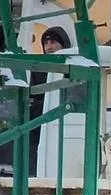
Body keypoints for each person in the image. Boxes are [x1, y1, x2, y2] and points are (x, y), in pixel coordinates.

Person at [29, 27, 72, 171]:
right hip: (39, 129)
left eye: (53, 42)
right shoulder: (38, 68)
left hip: (66, 127)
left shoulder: (74, 67)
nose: (49, 47)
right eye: (46, 43)